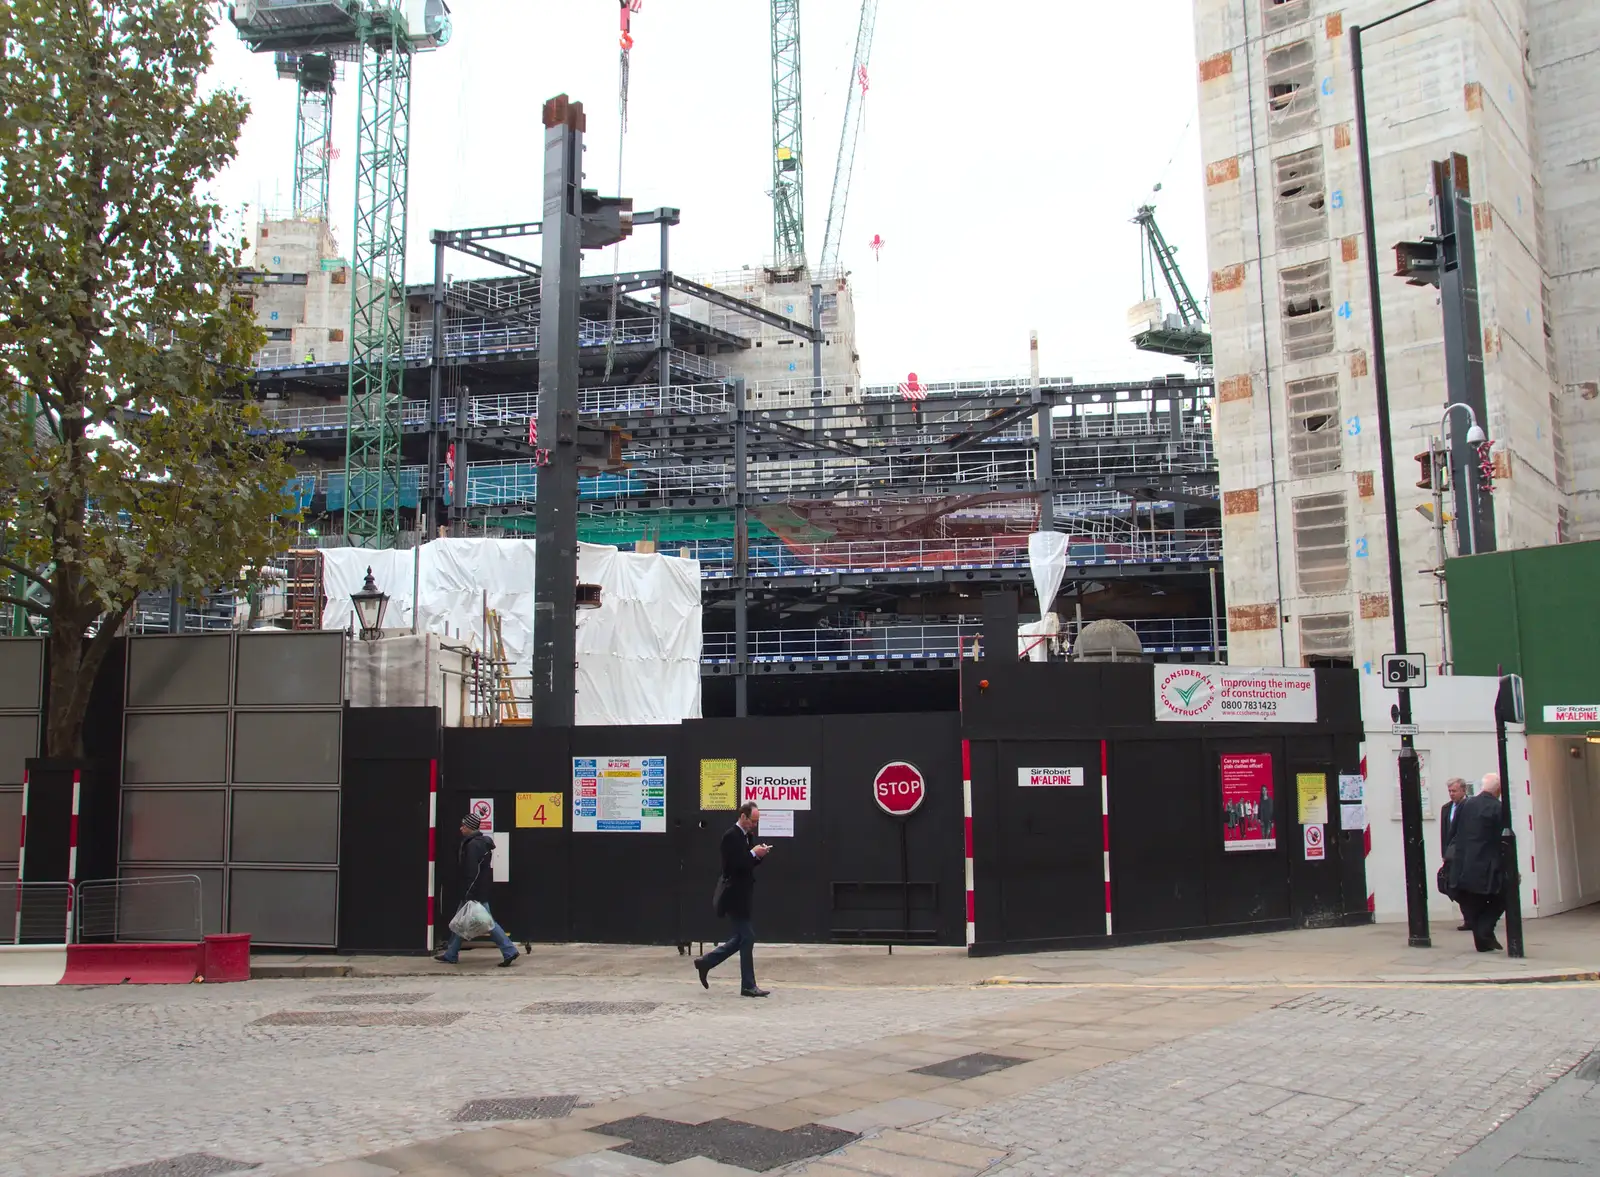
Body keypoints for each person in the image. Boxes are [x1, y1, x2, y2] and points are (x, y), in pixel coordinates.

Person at [694, 802, 771, 997]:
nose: (754, 825)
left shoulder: (747, 836)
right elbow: (736, 865)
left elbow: (748, 865)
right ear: (743, 817)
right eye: (752, 821)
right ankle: (747, 985)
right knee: (748, 937)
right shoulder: (731, 837)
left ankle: (706, 962)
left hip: (744, 895)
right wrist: (754, 853)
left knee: (741, 939)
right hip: (734, 896)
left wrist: (759, 855)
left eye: (756, 822)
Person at [435, 813, 520, 967]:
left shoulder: (474, 845)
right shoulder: (479, 843)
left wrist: (469, 892)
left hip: (474, 892)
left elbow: (472, 871)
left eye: (464, 826)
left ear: (470, 828)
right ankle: (451, 953)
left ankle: (509, 950)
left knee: (488, 923)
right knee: (460, 922)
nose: (461, 828)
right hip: (476, 890)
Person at [1450, 772, 1507, 953]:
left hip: (1465, 863)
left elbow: (1454, 832)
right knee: (1502, 898)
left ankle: (1483, 942)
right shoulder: (1498, 808)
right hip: (1489, 864)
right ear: (1498, 789)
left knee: (1474, 903)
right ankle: (1484, 933)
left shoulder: (1466, 805)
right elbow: (1503, 840)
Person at [1440, 778, 1470, 931]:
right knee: (1449, 885)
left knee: (1464, 885)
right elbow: (1444, 832)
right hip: (1451, 853)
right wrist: (1444, 852)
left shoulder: (1469, 806)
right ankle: (1469, 915)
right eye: (1450, 791)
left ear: (1463, 791)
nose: (1451, 794)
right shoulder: (1446, 808)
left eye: (1454, 791)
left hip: (1465, 853)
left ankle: (1470, 918)